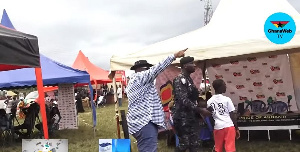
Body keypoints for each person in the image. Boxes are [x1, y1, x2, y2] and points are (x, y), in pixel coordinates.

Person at [126, 48, 187, 152]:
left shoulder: (133, 81)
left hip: (138, 124)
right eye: (148, 69)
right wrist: (174, 56)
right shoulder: (141, 77)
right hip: (145, 123)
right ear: (144, 69)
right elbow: (157, 68)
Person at [172, 56, 211, 152]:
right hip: (182, 117)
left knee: (195, 144)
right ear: (185, 66)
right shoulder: (179, 80)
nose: (194, 65)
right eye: (192, 63)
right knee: (184, 144)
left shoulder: (188, 79)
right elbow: (183, 100)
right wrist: (200, 110)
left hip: (191, 116)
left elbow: (192, 97)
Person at [207, 79, 240, 152]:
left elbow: (211, 117)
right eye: (224, 85)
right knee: (230, 149)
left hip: (217, 127)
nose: (226, 87)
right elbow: (232, 115)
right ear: (220, 87)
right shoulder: (227, 99)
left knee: (218, 149)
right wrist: (236, 128)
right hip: (229, 126)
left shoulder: (209, 101)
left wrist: (213, 129)